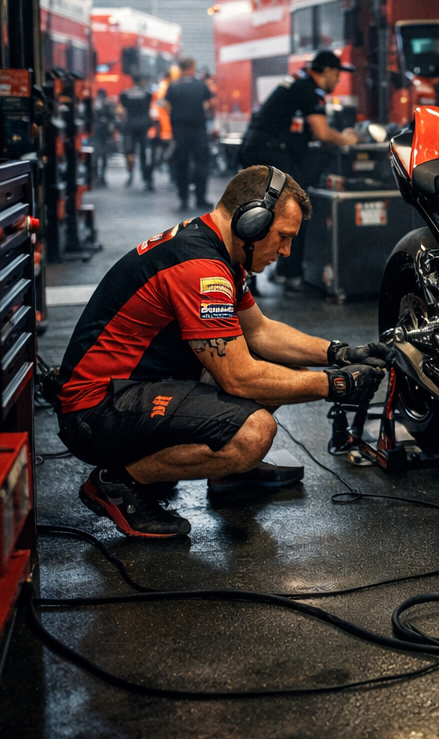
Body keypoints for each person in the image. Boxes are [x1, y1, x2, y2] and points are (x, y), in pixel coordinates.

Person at [54, 166, 389, 538]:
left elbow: (260, 332)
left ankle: (229, 473)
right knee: (254, 433)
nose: (285, 250)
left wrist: (340, 354)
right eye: (282, 236)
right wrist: (335, 385)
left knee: (269, 362)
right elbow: (241, 378)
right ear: (252, 222)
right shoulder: (201, 268)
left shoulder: (216, 249)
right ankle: (116, 483)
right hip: (94, 412)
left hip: (130, 390)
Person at [239, 50, 360, 294]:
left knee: (270, 210)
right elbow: (323, 134)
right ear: (325, 71)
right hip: (269, 152)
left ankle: (272, 272)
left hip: (258, 149)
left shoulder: (298, 82)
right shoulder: (309, 90)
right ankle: (289, 274)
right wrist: (347, 139)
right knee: (295, 205)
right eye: (336, 75)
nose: (337, 82)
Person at [166, 56, 215, 211]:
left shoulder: (173, 86)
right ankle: (200, 198)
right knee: (201, 163)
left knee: (181, 164)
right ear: (192, 67)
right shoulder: (200, 85)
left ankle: (183, 198)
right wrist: (207, 116)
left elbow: (166, 105)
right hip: (198, 129)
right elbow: (211, 103)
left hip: (180, 130)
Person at [119, 76, 155, 190]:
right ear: (141, 81)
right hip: (144, 126)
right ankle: (146, 178)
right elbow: (149, 107)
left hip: (130, 125)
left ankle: (130, 175)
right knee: (144, 152)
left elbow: (122, 109)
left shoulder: (125, 94)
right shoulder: (147, 94)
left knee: (130, 151)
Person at [92, 88, 118, 185]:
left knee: (99, 155)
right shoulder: (106, 104)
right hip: (102, 133)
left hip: (98, 133)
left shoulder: (96, 104)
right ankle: (99, 176)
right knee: (100, 156)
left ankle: (99, 176)